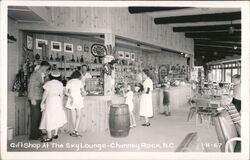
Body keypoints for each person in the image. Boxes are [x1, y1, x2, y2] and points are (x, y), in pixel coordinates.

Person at [39, 71, 67, 142]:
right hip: (57, 100)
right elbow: (62, 95)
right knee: (56, 116)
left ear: (51, 76)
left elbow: (45, 94)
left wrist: (42, 102)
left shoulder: (48, 83)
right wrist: (61, 104)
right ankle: (55, 134)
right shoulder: (60, 84)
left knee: (49, 117)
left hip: (50, 100)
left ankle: (49, 137)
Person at [27, 61, 50, 140]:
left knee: (38, 118)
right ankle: (33, 136)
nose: (46, 70)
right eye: (46, 68)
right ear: (42, 66)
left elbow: (42, 86)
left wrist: (46, 79)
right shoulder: (34, 74)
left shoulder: (41, 75)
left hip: (39, 98)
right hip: (34, 98)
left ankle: (37, 134)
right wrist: (32, 98)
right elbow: (30, 87)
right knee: (35, 118)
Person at [65, 71, 86, 137]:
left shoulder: (69, 81)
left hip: (71, 99)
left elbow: (66, 92)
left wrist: (70, 96)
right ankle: (75, 130)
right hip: (78, 99)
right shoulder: (80, 82)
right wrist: (85, 93)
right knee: (78, 115)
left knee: (73, 116)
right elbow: (83, 92)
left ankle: (75, 131)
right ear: (79, 76)